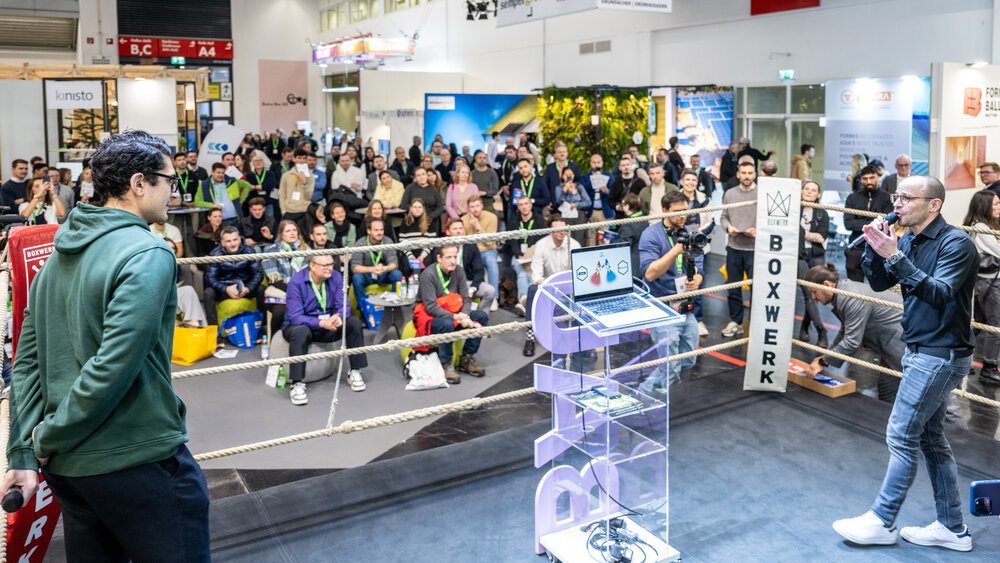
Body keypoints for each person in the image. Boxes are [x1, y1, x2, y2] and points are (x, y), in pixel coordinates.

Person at [2, 130, 210, 561]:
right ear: (139, 184)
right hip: (137, 459)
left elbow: (27, 363)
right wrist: (46, 436)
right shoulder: (147, 253)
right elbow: (113, 367)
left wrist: (24, 449)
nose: (175, 190)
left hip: (70, 472)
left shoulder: (56, 258)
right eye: (169, 180)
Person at [832, 175, 978, 552]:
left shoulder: (956, 244)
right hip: (920, 349)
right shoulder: (909, 237)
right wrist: (876, 248)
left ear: (934, 204)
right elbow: (879, 284)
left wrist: (894, 254)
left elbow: (939, 294)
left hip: (940, 353)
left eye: (907, 198)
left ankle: (882, 519)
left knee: (901, 433)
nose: (897, 203)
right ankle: (952, 527)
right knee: (930, 439)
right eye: (896, 196)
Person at [803, 264, 903, 402]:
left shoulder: (849, 297)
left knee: (914, 395)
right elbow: (845, 331)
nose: (813, 297)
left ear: (827, 284)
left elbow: (851, 341)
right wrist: (825, 357)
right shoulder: (842, 293)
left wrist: (823, 361)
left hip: (901, 343)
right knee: (887, 391)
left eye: (814, 291)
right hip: (889, 343)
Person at [638, 190, 704, 392]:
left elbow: (700, 269)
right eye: (677, 211)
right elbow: (649, 274)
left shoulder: (691, 233)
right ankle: (648, 392)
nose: (682, 215)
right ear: (665, 211)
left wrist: (696, 281)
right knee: (671, 364)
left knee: (689, 360)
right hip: (661, 305)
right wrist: (675, 251)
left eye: (685, 210)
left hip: (685, 305)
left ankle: (654, 389)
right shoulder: (651, 235)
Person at [284, 255, 369, 403]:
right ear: (312, 265)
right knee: (300, 331)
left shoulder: (336, 277)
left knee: (354, 322)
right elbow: (295, 317)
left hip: (330, 323)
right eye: (325, 265)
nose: (330, 267)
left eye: (331, 264)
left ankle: (355, 371)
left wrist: (339, 316)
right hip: (303, 326)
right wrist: (320, 323)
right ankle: (297, 383)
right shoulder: (296, 282)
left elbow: (344, 305)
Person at [414, 244, 489, 384]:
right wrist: (456, 317)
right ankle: (446, 363)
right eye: (448, 257)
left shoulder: (458, 271)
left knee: (482, 316)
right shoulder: (428, 274)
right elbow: (431, 307)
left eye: (455, 257)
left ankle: (466, 358)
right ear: (439, 258)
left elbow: (466, 298)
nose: (452, 261)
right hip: (431, 316)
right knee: (447, 324)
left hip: (456, 312)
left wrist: (464, 316)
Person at [520, 214, 580, 356]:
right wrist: (551, 286)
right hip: (547, 286)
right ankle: (530, 338)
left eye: (563, 228)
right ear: (550, 230)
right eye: (557, 229)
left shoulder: (574, 244)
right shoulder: (541, 245)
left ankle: (579, 338)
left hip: (567, 287)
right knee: (532, 290)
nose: (561, 232)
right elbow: (536, 275)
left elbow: (578, 274)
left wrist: (564, 287)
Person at [964, 189, 1000, 384]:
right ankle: (989, 367)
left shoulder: (987, 225)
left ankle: (964, 360)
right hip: (989, 282)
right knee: (995, 325)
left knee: (978, 324)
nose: (999, 207)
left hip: (987, 281)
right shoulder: (981, 228)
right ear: (984, 206)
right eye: (995, 204)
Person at [719, 161, 757, 337]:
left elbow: (768, 219)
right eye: (744, 173)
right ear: (738, 174)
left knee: (756, 288)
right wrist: (729, 228)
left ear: (755, 174)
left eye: (750, 173)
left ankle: (756, 324)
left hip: (755, 249)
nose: (747, 176)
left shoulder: (762, 194)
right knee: (733, 287)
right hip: (734, 247)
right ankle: (736, 321)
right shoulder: (730, 193)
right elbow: (723, 217)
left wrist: (758, 230)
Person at [426, 218, 496, 314]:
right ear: (448, 231)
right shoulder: (440, 247)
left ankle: (481, 317)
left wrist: (473, 288)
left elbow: (479, 270)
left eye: (461, 228)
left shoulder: (471, 245)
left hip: (468, 283)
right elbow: (435, 270)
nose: (459, 231)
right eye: (455, 229)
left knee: (490, 290)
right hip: (448, 284)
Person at [203, 226, 265, 327]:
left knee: (261, 289)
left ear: (240, 239)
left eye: (235, 240)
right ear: (222, 242)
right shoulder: (215, 254)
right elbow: (211, 278)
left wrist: (248, 288)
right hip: (225, 289)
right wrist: (226, 288)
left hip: (245, 287)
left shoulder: (249, 251)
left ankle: (262, 326)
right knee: (208, 293)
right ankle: (213, 330)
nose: (233, 244)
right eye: (228, 241)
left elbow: (258, 274)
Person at [844, 164, 893, 282]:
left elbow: (886, 223)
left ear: (878, 178)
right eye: (865, 178)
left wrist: (861, 222)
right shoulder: (852, 198)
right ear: (861, 180)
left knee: (881, 286)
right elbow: (848, 224)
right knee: (854, 287)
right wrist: (873, 222)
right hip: (856, 246)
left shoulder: (886, 198)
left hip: (879, 247)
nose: (868, 181)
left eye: (872, 178)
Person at [797, 180, 830, 348]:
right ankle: (821, 330)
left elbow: (821, 238)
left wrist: (801, 232)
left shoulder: (822, 214)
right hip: (799, 255)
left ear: (818, 195)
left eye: (813, 190)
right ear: (801, 191)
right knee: (808, 293)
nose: (809, 192)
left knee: (815, 293)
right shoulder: (793, 210)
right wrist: (810, 234)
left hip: (816, 255)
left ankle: (804, 326)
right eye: (806, 189)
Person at [350, 217, 403, 320]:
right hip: (368, 275)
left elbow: (394, 264)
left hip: (383, 273)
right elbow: (355, 267)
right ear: (369, 231)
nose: (380, 233)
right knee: (357, 278)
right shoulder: (361, 243)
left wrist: (385, 268)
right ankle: (365, 310)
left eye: (381, 230)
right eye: (376, 230)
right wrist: (372, 269)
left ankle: (393, 308)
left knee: (397, 274)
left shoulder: (388, 241)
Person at [263, 220, 308, 335]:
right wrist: (295, 293)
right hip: (280, 292)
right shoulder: (271, 250)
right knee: (280, 311)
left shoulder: (306, 249)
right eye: (288, 231)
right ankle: (274, 343)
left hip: (304, 291)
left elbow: (311, 274)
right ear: (281, 234)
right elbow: (275, 279)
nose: (292, 233)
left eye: (294, 230)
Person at [507, 196, 546, 316]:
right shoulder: (513, 221)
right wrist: (519, 255)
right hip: (518, 257)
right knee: (523, 274)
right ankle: (526, 300)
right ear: (518, 207)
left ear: (530, 205)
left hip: (534, 256)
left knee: (531, 275)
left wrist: (529, 254)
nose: (524, 207)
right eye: (521, 205)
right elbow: (512, 242)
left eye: (526, 204)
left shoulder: (539, 220)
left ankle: (525, 302)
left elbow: (540, 240)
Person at [462, 195, 499, 305]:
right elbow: (465, 243)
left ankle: (494, 298)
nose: (475, 209)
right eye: (472, 207)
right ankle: (467, 295)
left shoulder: (492, 217)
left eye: (477, 206)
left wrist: (478, 227)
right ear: (468, 208)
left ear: (482, 206)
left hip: (487, 250)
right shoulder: (464, 220)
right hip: (471, 252)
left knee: (491, 262)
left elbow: (490, 242)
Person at [166, 239, 207, 328]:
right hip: (158, 295)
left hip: (172, 292)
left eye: (173, 248)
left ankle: (194, 322)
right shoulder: (152, 262)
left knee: (188, 290)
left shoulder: (176, 263)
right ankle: (197, 325)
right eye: (168, 247)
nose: (172, 250)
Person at [195, 162, 249, 227]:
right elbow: (197, 202)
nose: (221, 175)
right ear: (212, 172)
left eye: (223, 173)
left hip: (236, 219)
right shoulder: (204, 185)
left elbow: (247, 185)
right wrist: (212, 205)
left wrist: (241, 200)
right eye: (218, 172)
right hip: (218, 222)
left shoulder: (231, 181)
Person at [397, 198, 438, 274]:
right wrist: (410, 256)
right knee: (405, 265)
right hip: (409, 252)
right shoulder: (405, 223)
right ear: (411, 208)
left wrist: (422, 256)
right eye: (415, 207)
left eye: (420, 207)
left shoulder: (429, 222)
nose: (417, 209)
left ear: (423, 209)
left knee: (426, 266)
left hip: (425, 253)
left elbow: (432, 242)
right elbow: (402, 242)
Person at [400, 167, 446, 233]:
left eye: (423, 174)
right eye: (418, 175)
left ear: (426, 175)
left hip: (431, 222)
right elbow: (404, 205)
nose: (421, 177)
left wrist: (429, 217)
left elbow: (440, 207)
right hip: (414, 222)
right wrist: (416, 211)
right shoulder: (410, 188)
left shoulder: (434, 189)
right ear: (415, 178)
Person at [278, 148, 315, 223]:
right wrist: (283, 211)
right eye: (299, 158)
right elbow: (282, 194)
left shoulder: (311, 176)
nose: (302, 161)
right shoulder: (286, 175)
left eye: (304, 158)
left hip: (305, 210)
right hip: (289, 211)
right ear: (294, 159)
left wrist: (305, 183)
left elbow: (309, 196)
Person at [542, 141, 582, 206]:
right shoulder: (550, 168)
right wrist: (547, 201)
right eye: (559, 152)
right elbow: (545, 185)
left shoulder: (574, 166)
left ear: (567, 153)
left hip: (572, 203)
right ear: (555, 155)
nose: (562, 154)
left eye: (564, 152)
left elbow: (579, 182)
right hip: (555, 203)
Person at [616, 194, 646, 278]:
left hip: (633, 265)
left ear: (627, 206)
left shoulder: (628, 225)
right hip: (645, 260)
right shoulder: (644, 219)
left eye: (623, 205)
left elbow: (623, 245)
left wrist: (610, 242)